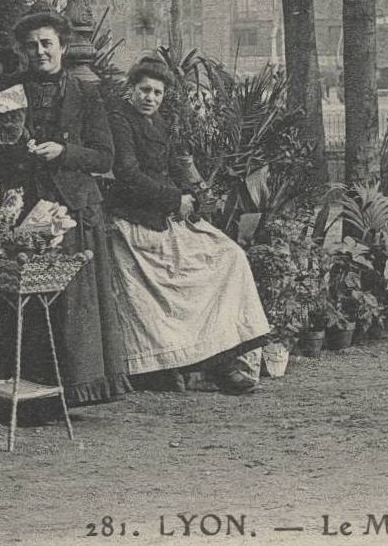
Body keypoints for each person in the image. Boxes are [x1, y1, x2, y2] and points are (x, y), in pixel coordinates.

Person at [0, 11, 132, 410]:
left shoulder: (85, 94)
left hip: (73, 209)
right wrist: (19, 151)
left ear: (63, 47)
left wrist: (64, 152)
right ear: (22, 50)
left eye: (46, 43)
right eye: (31, 45)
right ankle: (30, 399)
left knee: (72, 305)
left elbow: (105, 157)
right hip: (26, 206)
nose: (40, 51)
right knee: (28, 304)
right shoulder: (7, 90)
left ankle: (75, 392)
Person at [104, 56, 271, 395]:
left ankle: (222, 359)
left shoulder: (161, 124)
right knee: (173, 288)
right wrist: (174, 199)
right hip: (134, 220)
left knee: (229, 256)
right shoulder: (120, 121)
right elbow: (128, 174)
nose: (150, 98)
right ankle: (167, 366)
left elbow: (177, 164)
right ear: (131, 90)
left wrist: (199, 193)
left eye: (157, 93)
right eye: (144, 90)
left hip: (165, 216)